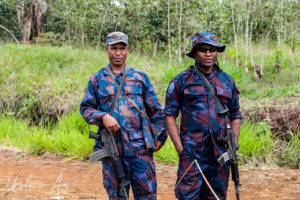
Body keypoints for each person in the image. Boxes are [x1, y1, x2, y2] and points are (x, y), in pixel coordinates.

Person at [80, 32, 167, 200]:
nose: (118, 53)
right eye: (114, 48)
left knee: (147, 195)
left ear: (128, 50)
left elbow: (155, 110)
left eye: (122, 48)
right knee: (117, 195)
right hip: (112, 150)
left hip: (140, 149)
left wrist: (160, 136)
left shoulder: (140, 77)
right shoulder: (97, 79)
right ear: (107, 49)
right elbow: (85, 108)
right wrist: (103, 116)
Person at [164, 31, 242, 200]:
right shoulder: (181, 81)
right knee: (187, 196)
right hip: (192, 154)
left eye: (212, 49)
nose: (208, 54)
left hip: (220, 153)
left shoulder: (227, 81)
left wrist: (233, 144)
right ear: (194, 53)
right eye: (203, 49)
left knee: (216, 195)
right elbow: (170, 115)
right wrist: (181, 149)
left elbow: (236, 114)